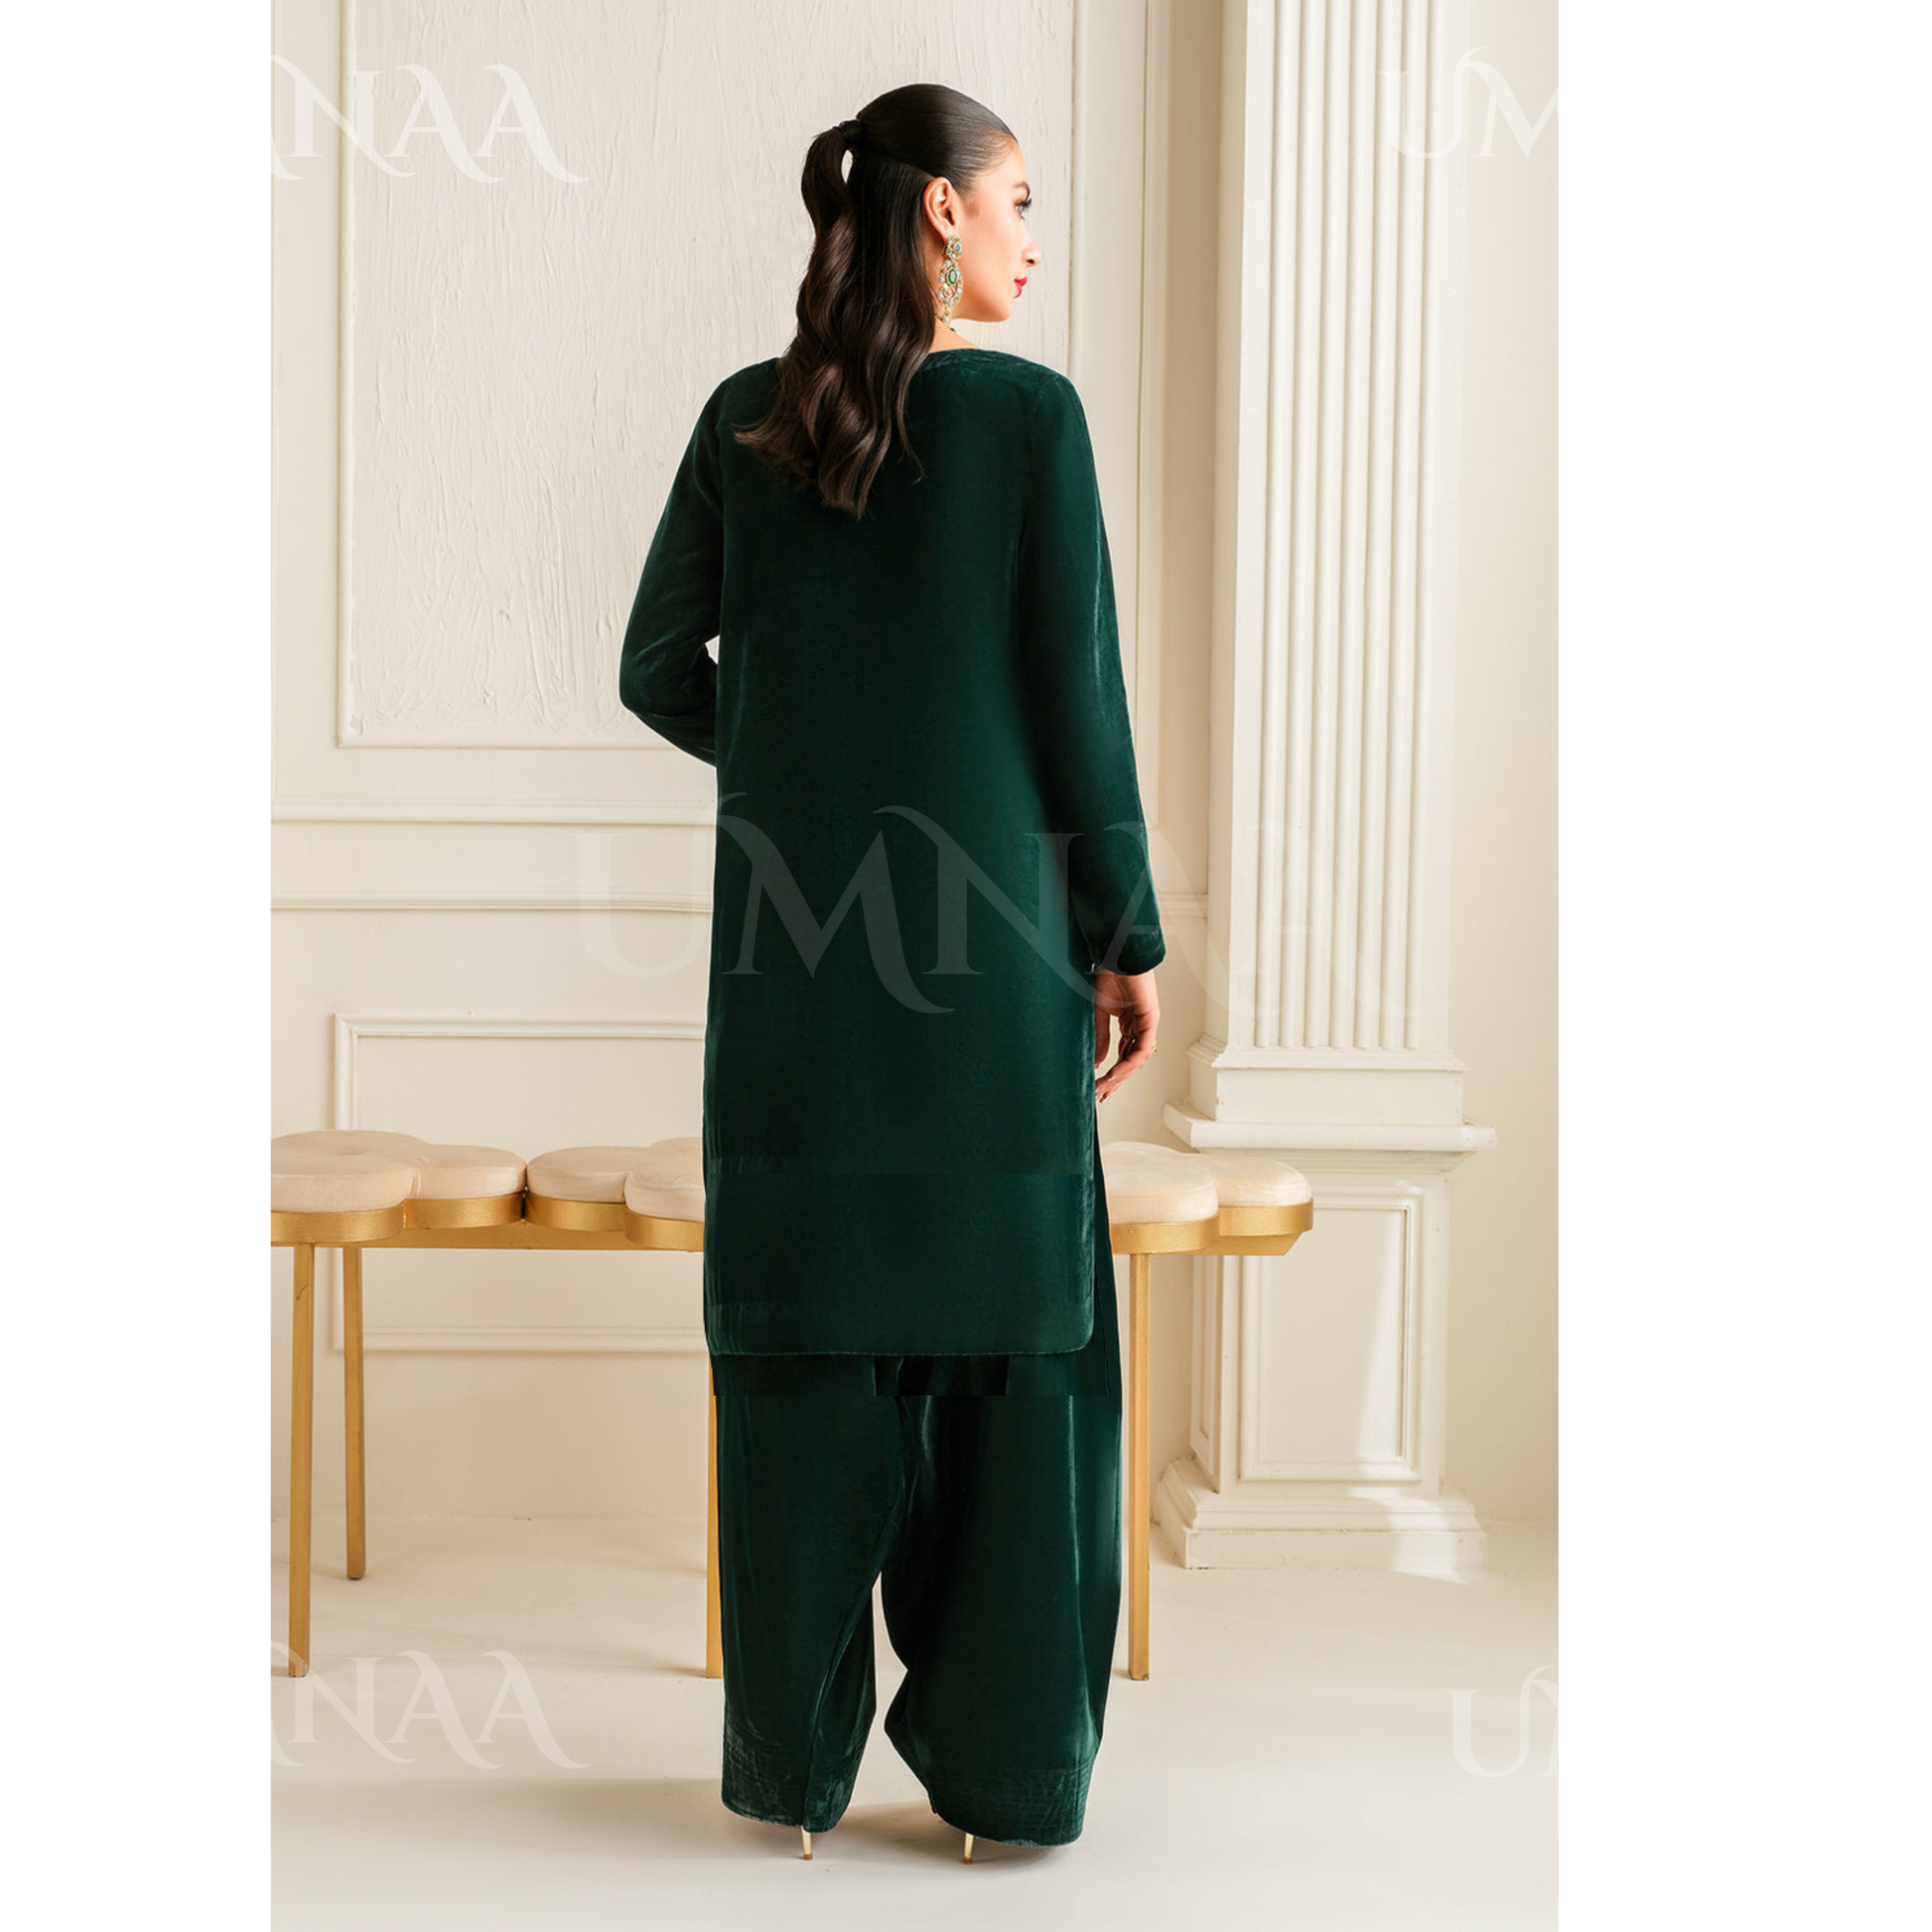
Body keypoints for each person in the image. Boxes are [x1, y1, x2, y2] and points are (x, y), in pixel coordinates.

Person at [618, 81, 1163, 1861]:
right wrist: (1122, 937)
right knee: (1015, 1369)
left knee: (800, 1368)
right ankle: (1005, 1785)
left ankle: (789, 1779)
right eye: (1017, 201)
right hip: (993, 975)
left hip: (797, 978)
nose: (1029, 238)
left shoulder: (741, 419)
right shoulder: (1030, 420)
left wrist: (802, 757)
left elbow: (655, 668)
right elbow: (1078, 703)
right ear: (940, 210)